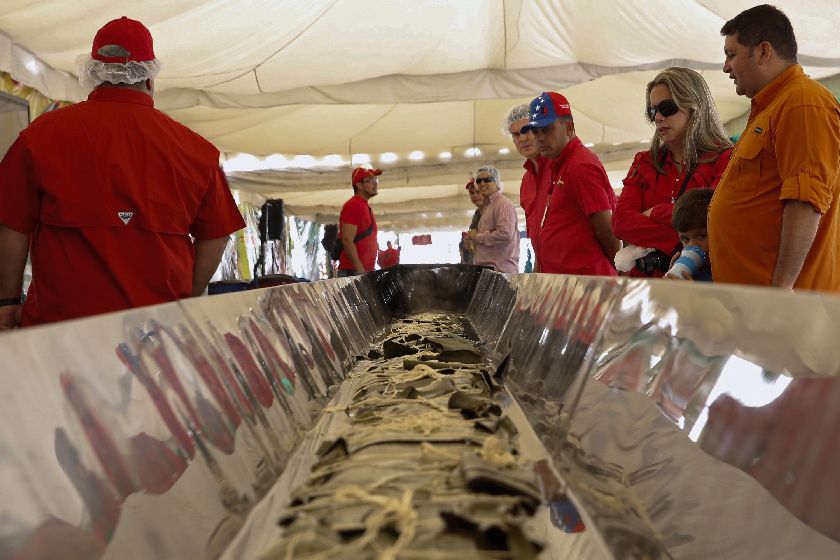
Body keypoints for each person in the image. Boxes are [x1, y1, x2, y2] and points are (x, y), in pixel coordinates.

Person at [0, 17, 245, 329]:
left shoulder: (40, 137)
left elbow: (11, 227)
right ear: (150, 78)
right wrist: (185, 298)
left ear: (93, 73)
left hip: (60, 334)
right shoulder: (196, 151)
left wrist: (7, 302)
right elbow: (216, 235)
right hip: (156, 336)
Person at [709, 5, 840, 291]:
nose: (726, 67)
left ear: (763, 52)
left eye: (732, 54)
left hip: (785, 310)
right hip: (757, 306)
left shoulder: (802, 103)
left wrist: (780, 292)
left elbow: (805, 202)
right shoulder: (772, 106)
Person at [612, 67, 733, 277]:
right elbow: (621, 222)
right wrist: (682, 244)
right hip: (648, 293)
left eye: (667, 108)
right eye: (652, 111)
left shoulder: (725, 158)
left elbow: (712, 216)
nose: (658, 117)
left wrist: (655, 212)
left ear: (695, 107)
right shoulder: (644, 162)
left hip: (702, 291)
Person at [523, 92, 620, 276]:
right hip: (569, 286)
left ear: (569, 127)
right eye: (535, 131)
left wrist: (617, 274)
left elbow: (607, 231)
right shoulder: (558, 164)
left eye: (547, 129)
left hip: (589, 287)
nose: (540, 137)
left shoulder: (580, 165)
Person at [504, 104, 546, 271]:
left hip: (585, 275)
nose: (522, 138)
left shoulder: (563, 168)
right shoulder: (527, 181)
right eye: (516, 134)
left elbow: (604, 223)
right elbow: (538, 239)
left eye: (527, 130)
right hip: (550, 276)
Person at [466, 166, 519, 273]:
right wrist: (473, 241)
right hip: (488, 270)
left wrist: (477, 237)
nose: (482, 184)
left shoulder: (503, 204)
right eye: (479, 181)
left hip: (500, 271)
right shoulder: (487, 207)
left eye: (487, 180)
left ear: (497, 182)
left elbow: (504, 234)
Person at [336, 166, 380, 277]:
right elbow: (347, 240)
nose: (375, 184)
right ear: (359, 185)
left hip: (361, 271)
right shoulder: (353, 205)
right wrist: (359, 267)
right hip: (353, 272)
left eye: (376, 180)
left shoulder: (364, 206)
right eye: (370, 181)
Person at [667, 188, 714, 281]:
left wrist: (693, 292)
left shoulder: (726, 271)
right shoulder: (691, 272)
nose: (692, 245)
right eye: (685, 239)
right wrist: (674, 272)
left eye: (701, 236)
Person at [459, 179, 484, 264]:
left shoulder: (495, 211)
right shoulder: (477, 214)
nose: (475, 196)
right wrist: (468, 243)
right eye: (472, 193)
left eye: (478, 192)